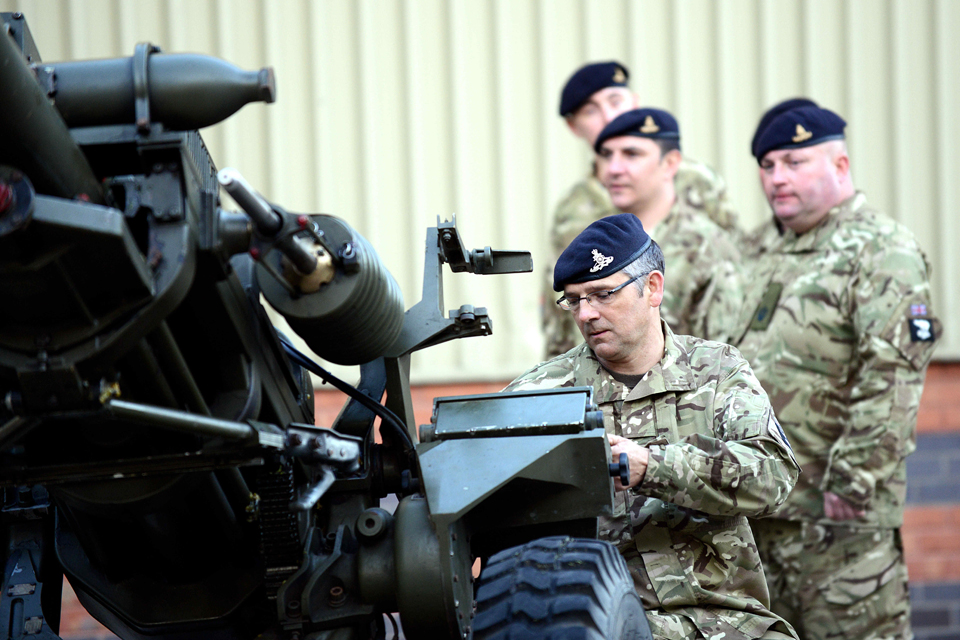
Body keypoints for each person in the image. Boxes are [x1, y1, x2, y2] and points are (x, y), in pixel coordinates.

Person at [505, 213, 800, 640]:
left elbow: (774, 475)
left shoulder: (716, 371)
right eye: (574, 300)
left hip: (730, 622)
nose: (586, 314)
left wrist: (653, 467)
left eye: (603, 294)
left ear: (653, 288)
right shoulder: (540, 395)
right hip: (606, 624)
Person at [734, 104, 942, 639]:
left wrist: (851, 483)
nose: (778, 177)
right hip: (760, 511)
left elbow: (892, 373)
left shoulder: (881, 249)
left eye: (795, 162)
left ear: (840, 165)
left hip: (838, 523)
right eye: (768, 164)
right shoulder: (756, 251)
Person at [542, 61, 740, 358]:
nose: (609, 116)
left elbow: (727, 267)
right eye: (591, 110)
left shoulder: (698, 188)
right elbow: (559, 296)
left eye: (615, 101)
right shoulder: (574, 206)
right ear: (574, 126)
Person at [592, 107, 743, 343]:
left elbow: (726, 358)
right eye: (607, 155)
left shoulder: (706, 247)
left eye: (631, 154)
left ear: (670, 163)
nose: (613, 169)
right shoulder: (595, 241)